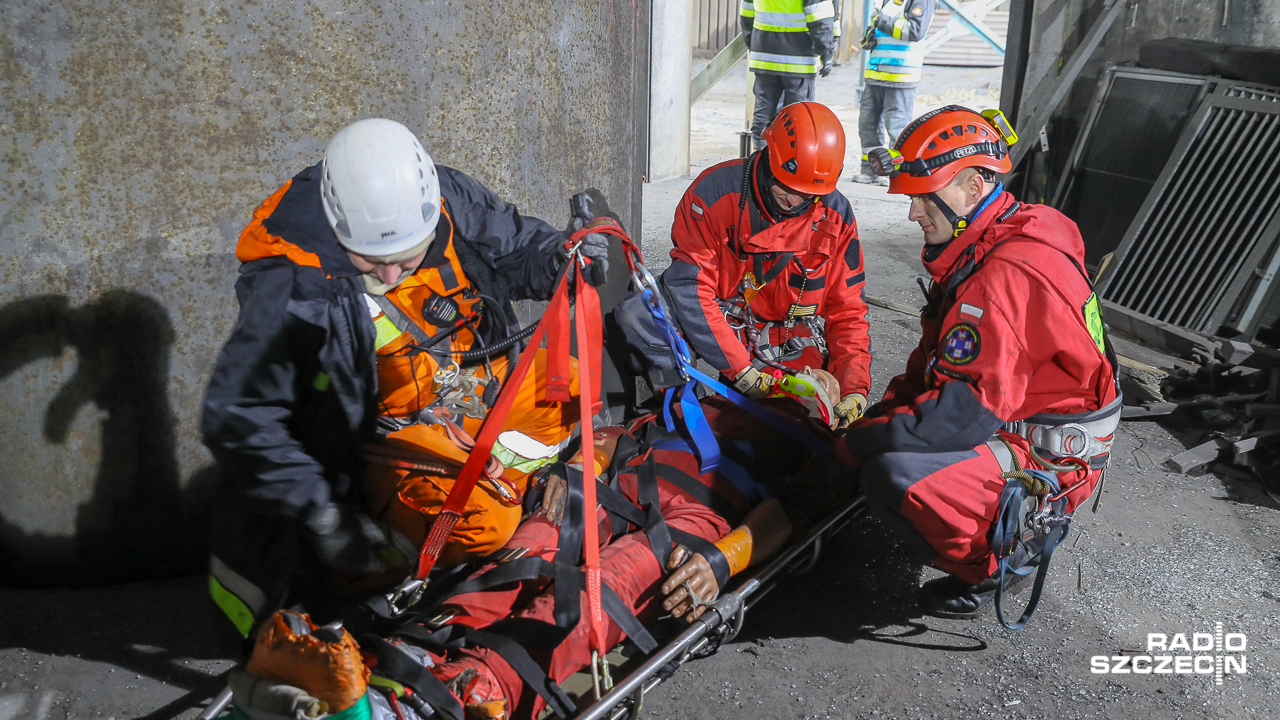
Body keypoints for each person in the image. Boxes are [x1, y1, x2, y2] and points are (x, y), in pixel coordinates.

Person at [202, 118, 609, 640]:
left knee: (574, 387)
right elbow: (240, 414)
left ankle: (519, 497)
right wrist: (323, 517)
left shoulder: (443, 197)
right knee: (482, 520)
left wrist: (560, 259)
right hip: (388, 441)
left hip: (470, 391)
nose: (391, 276)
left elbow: (514, 247)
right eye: (372, 261)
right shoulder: (293, 285)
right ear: (336, 223)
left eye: (405, 258)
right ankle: (379, 566)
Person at [838, 105, 1121, 617]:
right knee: (884, 439)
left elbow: (963, 414)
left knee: (893, 472)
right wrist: (877, 419)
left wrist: (859, 444)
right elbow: (935, 365)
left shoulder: (1003, 274)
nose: (913, 214)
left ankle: (1003, 561)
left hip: (1047, 452)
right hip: (1024, 415)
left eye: (924, 198)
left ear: (973, 188)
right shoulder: (999, 237)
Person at [660, 101, 872, 428]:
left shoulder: (835, 215)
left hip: (784, 331)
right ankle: (674, 416)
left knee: (802, 416)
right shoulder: (715, 194)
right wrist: (741, 370)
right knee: (646, 320)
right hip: (718, 316)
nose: (794, 200)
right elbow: (690, 287)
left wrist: (854, 387)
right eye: (787, 186)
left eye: (807, 194)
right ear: (769, 156)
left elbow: (848, 309)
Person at [851, 0, 936, 184]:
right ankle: (870, 170)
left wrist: (881, 21)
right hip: (876, 73)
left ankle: (894, 174)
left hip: (900, 76)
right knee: (867, 124)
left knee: (897, 128)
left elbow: (915, 31)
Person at [741, 0, 837, 151]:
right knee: (797, 116)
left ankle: (760, 159)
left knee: (763, 110)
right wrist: (826, 53)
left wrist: (753, 45)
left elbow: (746, 14)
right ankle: (790, 160)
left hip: (764, 56)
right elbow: (819, 18)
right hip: (798, 59)